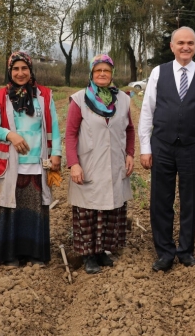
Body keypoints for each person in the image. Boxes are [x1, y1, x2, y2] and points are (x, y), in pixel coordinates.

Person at [139, 26, 195, 272]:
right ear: (172, 46)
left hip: (192, 148)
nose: (186, 47)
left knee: (189, 201)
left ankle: (185, 250)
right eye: (181, 43)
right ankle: (164, 252)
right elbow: (147, 111)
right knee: (160, 202)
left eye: (190, 43)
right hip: (162, 146)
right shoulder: (158, 73)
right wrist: (146, 148)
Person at [0, 51, 61, 266]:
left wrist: (56, 153)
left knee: (36, 210)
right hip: (11, 165)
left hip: (37, 164)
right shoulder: (0, 96)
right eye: (15, 69)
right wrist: (10, 134)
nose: (20, 73)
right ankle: (10, 256)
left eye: (24, 68)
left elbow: (54, 127)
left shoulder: (44, 95)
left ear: (30, 70)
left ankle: (36, 254)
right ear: (10, 71)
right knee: (11, 210)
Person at [65, 54, 135, 274]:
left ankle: (103, 251)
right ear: (91, 74)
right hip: (89, 163)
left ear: (112, 73)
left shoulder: (123, 99)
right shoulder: (79, 99)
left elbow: (130, 129)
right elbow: (70, 135)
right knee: (89, 210)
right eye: (98, 71)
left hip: (115, 162)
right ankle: (88, 256)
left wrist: (130, 153)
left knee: (111, 208)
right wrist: (74, 164)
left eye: (106, 70)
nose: (102, 74)